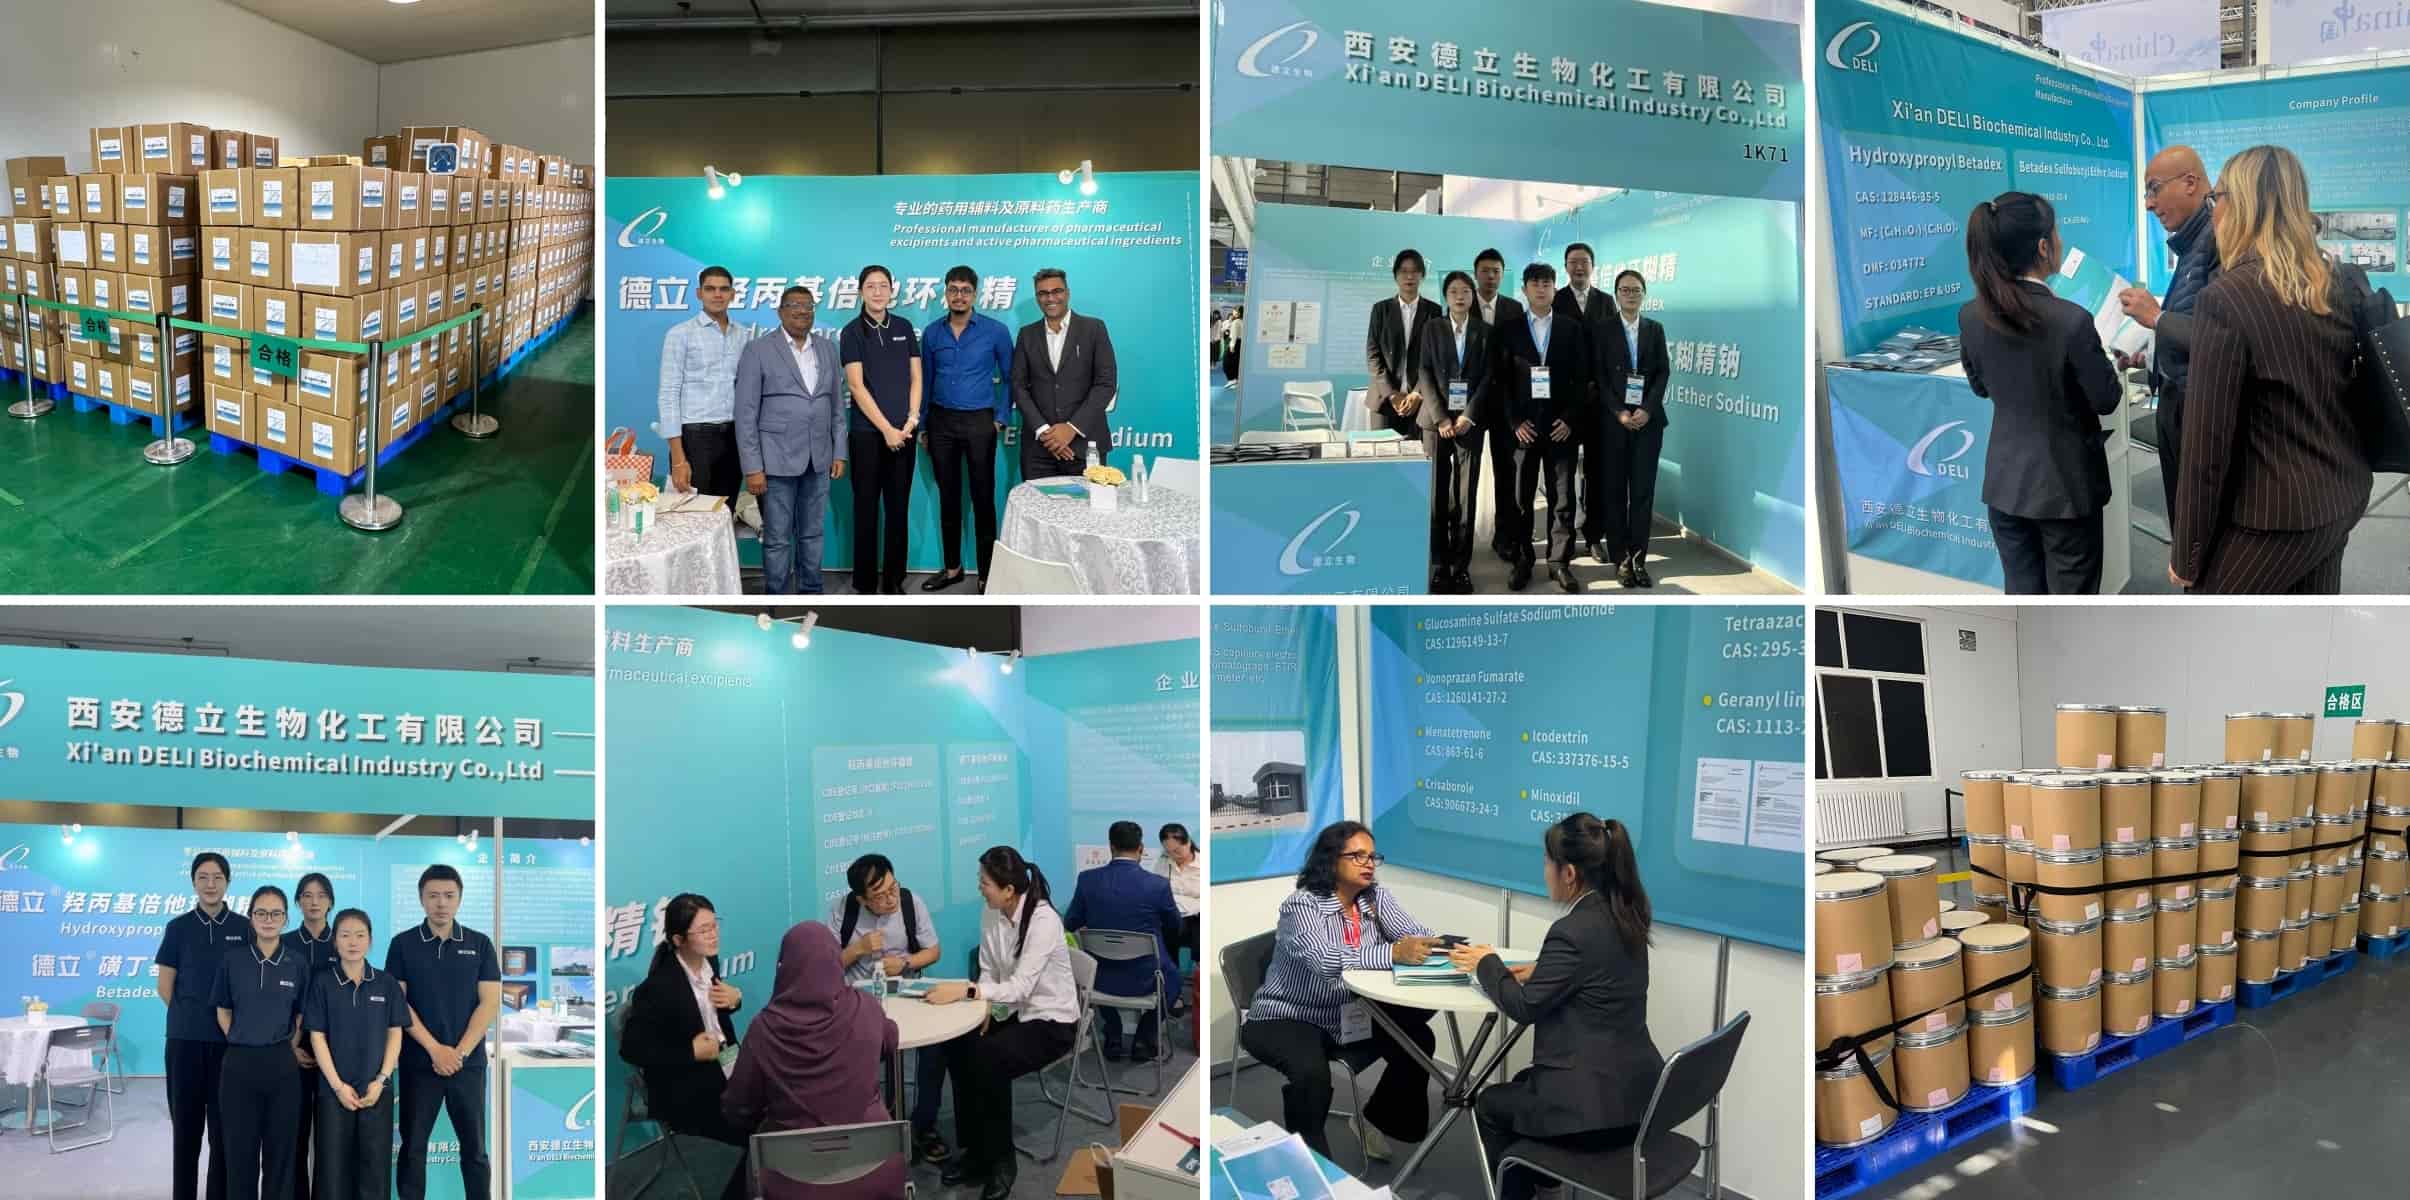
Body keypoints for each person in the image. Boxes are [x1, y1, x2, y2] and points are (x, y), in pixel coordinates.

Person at [2170, 144, 2372, 594]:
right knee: (2308, 628)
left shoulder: (2226, 298)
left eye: (2216, 197)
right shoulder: (2333, 280)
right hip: (2343, 495)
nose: (2214, 210)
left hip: (2275, 516)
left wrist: (2186, 555)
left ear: (2239, 205)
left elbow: (2206, 447)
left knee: (2204, 627)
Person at [1449, 815, 1664, 1200]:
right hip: (1638, 1097)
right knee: (1522, 1083)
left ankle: (1523, 1190)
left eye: (1547, 862)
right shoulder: (1626, 914)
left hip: (1593, 1116)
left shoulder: (1572, 931)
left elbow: (1524, 1007)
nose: (1544, 871)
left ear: (1569, 873)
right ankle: (1546, 1183)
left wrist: (1486, 962)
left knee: (1489, 1105)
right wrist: (1543, 970)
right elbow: (1598, 974)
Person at [1237, 821, 1440, 1162]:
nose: (1368, 864)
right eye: (1357, 856)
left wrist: (1442, 947)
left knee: (1417, 1039)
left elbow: (1414, 935)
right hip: (1289, 1015)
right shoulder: (1302, 906)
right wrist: (1392, 953)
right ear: (1330, 860)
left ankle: (1374, 1120)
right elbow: (1325, 960)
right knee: (1311, 1075)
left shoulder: (1375, 898)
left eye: (1372, 856)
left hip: (1348, 1013)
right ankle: (1308, 1165)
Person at [1957, 191, 2122, 594]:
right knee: (2071, 609)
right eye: (2057, 233)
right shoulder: (2072, 320)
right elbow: (2106, 399)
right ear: (2044, 247)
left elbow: (1980, 387)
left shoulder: (1971, 315)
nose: (2061, 241)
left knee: (2024, 600)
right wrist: (2109, 363)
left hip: (2006, 488)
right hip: (2067, 490)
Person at [925, 848, 1079, 1200]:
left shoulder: (1042, 920)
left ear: (1009, 890)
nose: (980, 888)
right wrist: (983, 1009)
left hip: (1051, 1020)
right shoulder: (990, 913)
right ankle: (976, 1150)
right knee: (957, 1045)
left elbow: (1021, 987)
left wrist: (969, 992)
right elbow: (989, 970)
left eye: (985, 883)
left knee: (988, 1060)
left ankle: (1001, 1161)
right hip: (1010, 1011)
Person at [721, 922, 906, 1200]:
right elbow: (890, 1041)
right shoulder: (865, 1007)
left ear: (784, 967)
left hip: (790, 1179)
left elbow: (738, 1107)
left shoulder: (763, 1029)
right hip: (875, 1167)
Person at [618, 894, 749, 1200]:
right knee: (755, 1127)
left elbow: (713, 1013)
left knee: (778, 1098)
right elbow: (632, 1050)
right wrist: (691, 1052)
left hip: (726, 1065)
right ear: (678, 940)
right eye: (704, 930)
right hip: (686, 1087)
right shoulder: (657, 988)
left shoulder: (709, 962)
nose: (714, 934)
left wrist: (735, 1000)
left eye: (715, 925)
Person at [387, 865, 502, 1200]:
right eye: (433, 896)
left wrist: (459, 1052)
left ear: (460, 898)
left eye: (449, 896)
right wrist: (435, 1049)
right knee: (413, 1148)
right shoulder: (403, 944)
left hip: (468, 1065)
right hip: (419, 1064)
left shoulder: (479, 944)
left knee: (475, 1149)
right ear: (421, 899)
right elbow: (399, 1003)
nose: (441, 903)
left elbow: (490, 1002)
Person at [2118, 145, 2221, 516]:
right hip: (2179, 400)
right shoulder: (2194, 242)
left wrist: (2157, 318)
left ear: (2190, 183)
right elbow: (2193, 318)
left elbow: (2222, 337)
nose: (2149, 204)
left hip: (2200, 409)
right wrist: (2151, 354)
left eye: (2154, 188)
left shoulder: (2220, 241)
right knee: (2182, 512)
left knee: (2196, 516)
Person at [825, 854, 949, 1162]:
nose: (891, 899)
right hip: (858, 1003)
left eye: (893, 888)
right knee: (854, 1054)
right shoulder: (842, 911)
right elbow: (827, 965)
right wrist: (858, 949)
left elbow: (933, 951)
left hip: (906, 994)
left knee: (934, 1049)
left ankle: (924, 1125)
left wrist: (906, 963)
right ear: (862, 899)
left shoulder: (910, 902)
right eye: (880, 896)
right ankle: (872, 1129)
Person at [736, 285, 847, 595]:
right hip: (775, 460)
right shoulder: (758, 350)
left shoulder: (827, 348)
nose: (802, 311)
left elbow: (836, 405)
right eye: (794, 305)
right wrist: (753, 468)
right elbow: (745, 413)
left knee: (813, 534)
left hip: (819, 458)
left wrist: (839, 451)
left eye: (808, 306)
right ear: (780, 311)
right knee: (777, 538)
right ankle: (778, 598)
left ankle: (812, 592)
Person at [1493, 263, 1593, 593]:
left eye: (1547, 283)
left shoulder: (1570, 328)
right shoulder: (1508, 329)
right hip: (1524, 429)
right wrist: (1514, 422)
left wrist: (1570, 419)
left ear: (1554, 289)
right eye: (1535, 283)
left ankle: (1559, 562)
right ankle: (1523, 559)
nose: (1541, 288)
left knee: (1562, 498)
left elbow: (1582, 379)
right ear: (1524, 289)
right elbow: (1501, 381)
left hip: (1560, 427)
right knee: (1520, 499)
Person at [920, 265, 1015, 592]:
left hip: (979, 422)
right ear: (945, 293)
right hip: (941, 423)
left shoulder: (995, 331)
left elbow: (1011, 378)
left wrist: (1000, 418)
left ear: (975, 294)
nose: (959, 296)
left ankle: (988, 574)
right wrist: (924, 425)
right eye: (953, 289)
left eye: (965, 290)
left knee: (983, 499)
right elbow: (926, 381)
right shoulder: (932, 333)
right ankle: (952, 569)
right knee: (949, 498)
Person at [159, 850, 247, 1200]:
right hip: (184, 1043)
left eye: (218, 877)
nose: (211, 884)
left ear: (228, 882)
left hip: (228, 1045)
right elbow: (165, 987)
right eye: (203, 877)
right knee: (186, 1131)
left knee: (223, 1134)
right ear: (193, 882)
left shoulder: (243, 928)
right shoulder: (178, 928)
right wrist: (191, 1018)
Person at [212, 885, 309, 1200]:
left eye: (276, 913)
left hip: (282, 1065)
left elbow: (300, 1015)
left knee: (281, 1154)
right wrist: (240, 1038)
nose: (268, 919)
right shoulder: (233, 960)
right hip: (239, 1065)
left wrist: (288, 1044)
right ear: (251, 917)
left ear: (285, 918)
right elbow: (223, 1010)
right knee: (240, 1153)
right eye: (261, 913)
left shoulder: (296, 963)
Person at [304, 908, 407, 1200]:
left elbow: (395, 1032)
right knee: (332, 1171)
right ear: (335, 941)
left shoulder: (386, 983)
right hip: (333, 1092)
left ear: (370, 941)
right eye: (345, 935)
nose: (353, 942)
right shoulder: (323, 983)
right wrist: (338, 1086)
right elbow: (317, 1036)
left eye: (360, 935)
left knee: (374, 1170)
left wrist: (382, 1079)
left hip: (376, 1090)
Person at [1064, 821, 1183, 1061]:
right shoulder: (1157, 885)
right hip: (1146, 978)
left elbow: (1071, 922)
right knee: (1174, 980)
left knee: (1094, 967)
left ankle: (1113, 1031)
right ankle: (1144, 1036)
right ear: (1141, 849)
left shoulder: (1087, 880)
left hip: (1100, 978)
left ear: (1111, 847)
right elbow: (1175, 926)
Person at [839, 264, 922, 594]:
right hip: (867, 436)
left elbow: (916, 377)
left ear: (892, 290)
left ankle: (893, 581)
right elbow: (856, 386)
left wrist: (911, 420)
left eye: (883, 285)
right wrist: (887, 429)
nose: (877, 292)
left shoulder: (903, 327)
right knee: (866, 508)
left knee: (898, 509)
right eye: (871, 286)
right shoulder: (851, 332)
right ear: (861, 291)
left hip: (905, 433)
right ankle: (864, 582)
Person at [1416, 269, 1494, 593]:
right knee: (1437, 496)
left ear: (1473, 296)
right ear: (1446, 296)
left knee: (1465, 496)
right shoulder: (1432, 327)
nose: (1460, 296)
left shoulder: (1484, 331)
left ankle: (1461, 567)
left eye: (1465, 291)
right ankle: (1440, 565)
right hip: (1436, 424)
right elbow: (1424, 372)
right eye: (1453, 291)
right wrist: (1441, 418)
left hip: (1468, 424)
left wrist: (1468, 415)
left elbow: (1488, 376)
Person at [1593, 270, 1672, 588]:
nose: (1630, 294)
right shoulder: (1603, 329)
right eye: (1625, 290)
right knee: (1614, 492)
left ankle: (1639, 559)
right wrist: (1620, 413)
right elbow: (1599, 375)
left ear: (1644, 294)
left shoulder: (1655, 329)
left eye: (1636, 290)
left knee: (1642, 493)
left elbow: (1663, 372)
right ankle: (1620, 560)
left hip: (1648, 423)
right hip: (1614, 423)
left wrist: (1647, 409)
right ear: (1616, 294)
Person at [658, 265, 759, 507]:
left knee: (724, 512)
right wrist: (679, 459)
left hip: (734, 437)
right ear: (699, 293)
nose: (717, 294)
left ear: (732, 294)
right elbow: (668, 394)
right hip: (695, 438)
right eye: (710, 289)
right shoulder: (680, 334)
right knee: (691, 515)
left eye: (724, 289)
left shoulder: (743, 335)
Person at [1010, 268, 1117, 480]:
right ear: (1037, 297)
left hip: (1086, 447)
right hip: (1039, 449)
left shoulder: (1093, 328)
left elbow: (1106, 384)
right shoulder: (1027, 334)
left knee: (1088, 503)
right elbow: (1018, 386)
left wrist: (1071, 428)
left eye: (1056, 291)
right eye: (1043, 293)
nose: (1050, 298)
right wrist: (1046, 433)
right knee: (1034, 503)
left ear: (1067, 293)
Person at [1474, 248, 1529, 564]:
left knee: (1506, 471)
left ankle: (1504, 536)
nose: (1491, 276)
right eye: (1485, 270)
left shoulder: (1513, 308)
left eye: (1496, 271)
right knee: (1463, 473)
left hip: (1504, 404)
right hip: (1469, 404)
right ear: (1476, 274)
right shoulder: (1462, 303)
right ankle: (1459, 537)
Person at [289, 873, 341, 1200]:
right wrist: (289, 1046)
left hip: (334, 1056)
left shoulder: (343, 940)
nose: (314, 902)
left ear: (330, 902)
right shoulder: (284, 942)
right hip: (291, 1051)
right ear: (298, 901)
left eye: (321, 895)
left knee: (329, 1140)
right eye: (307, 895)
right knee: (294, 1137)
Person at [1365, 249, 1444, 439]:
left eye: (1415, 271)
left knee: (1418, 453)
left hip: (1419, 402)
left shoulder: (1434, 311)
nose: (1409, 276)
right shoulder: (1380, 310)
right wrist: (1391, 394)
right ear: (1395, 276)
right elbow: (1373, 355)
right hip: (1384, 401)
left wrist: (1417, 393)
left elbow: (1435, 358)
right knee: (1383, 453)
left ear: (1422, 275)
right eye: (1404, 271)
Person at [1154, 822, 1203, 969]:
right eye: (1168, 852)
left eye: (1177, 850)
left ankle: (1199, 970)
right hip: (1172, 917)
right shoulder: (1163, 862)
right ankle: (1170, 974)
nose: (1173, 855)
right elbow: (1156, 890)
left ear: (1188, 843)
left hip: (1196, 919)